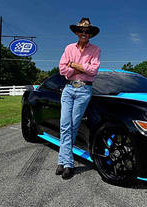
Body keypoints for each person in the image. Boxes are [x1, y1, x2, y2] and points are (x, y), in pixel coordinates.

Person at [56, 17, 101, 179]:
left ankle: (63, 162)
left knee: (73, 125)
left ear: (90, 34)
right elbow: (62, 69)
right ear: (76, 32)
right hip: (68, 89)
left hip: (84, 90)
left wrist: (74, 65)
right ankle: (67, 163)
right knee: (64, 125)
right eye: (81, 30)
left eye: (87, 31)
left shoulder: (95, 50)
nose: (84, 33)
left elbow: (93, 71)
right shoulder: (69, 48)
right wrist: (80, 69)